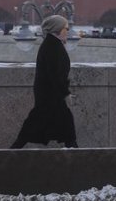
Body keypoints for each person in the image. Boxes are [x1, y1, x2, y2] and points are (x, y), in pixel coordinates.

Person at [10, 15, 78, 149]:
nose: (67, 31)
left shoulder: (52, 44)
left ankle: (14, 149)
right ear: (57, 30)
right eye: (65, 28)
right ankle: (74, 151)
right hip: (50, 95)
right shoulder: (53, 46)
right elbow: (55, 74)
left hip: (49, 94)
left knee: (41, 122)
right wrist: (65, 92)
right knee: (53, 122)